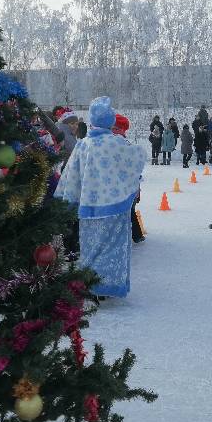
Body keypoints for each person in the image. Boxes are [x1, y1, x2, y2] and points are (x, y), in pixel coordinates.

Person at [55, 97, 146, 298]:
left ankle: (91, 284)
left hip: (89, 208)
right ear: (110, 121)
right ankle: (108, 286)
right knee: (113, 247)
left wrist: (66, 199)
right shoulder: (117, 143)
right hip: (115, 208)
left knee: (90, 248)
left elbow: (71, 175)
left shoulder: (83, 145)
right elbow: (138, 158)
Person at [113, 114, 145, 244]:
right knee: (129, 211)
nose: (112, 131)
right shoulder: (122, 144)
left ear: (120, 129)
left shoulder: (120, 145)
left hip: (125, 187)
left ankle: (130, 237)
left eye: (114, 128)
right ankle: (137, 236)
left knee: (126, 212)